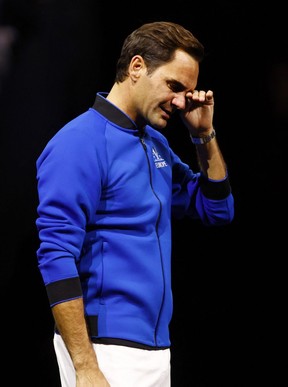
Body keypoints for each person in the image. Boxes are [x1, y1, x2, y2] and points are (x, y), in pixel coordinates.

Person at [35, 21, 234, 387]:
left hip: (156, 350)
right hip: (105, 352)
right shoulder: (78, 143)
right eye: (175, 87)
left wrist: (204, 136)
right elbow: (55, 254)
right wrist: (86, 367)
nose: (179, 102)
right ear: (137, 67)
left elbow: (217, 209)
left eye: (187, 92)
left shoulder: (156, 145)